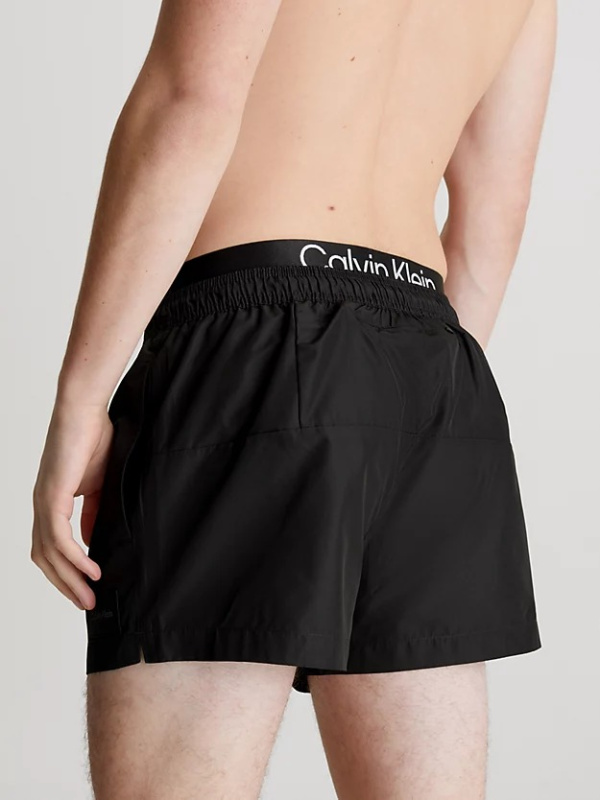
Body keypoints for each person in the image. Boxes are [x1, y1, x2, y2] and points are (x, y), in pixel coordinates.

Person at [31, 0, 556, 797]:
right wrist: (384, 412)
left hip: (251, 338)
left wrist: (81, 398)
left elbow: (190, 103)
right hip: (435, 371)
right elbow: (491, 223)